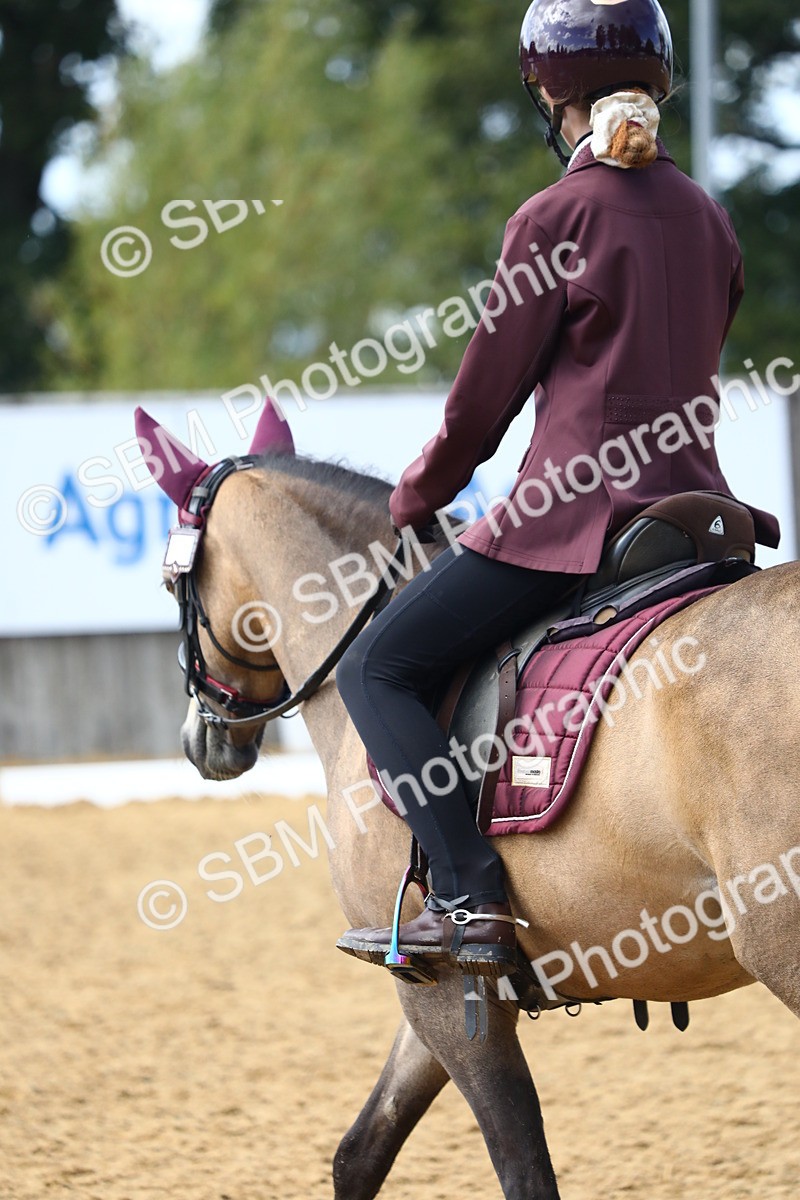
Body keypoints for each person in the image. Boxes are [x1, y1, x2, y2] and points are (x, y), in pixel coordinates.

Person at [335, 0, 780, 976]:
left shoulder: (551, 217)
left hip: (576, 519)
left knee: (379, 668)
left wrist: (419, 497)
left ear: (550, 94)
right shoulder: (708, 217)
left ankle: (466, 897)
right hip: (698, 522)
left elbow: (480, 406)